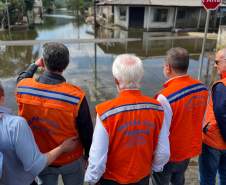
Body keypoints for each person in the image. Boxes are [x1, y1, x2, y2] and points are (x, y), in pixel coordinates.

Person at [85, 54, 170, 185]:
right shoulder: (157, 108)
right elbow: (163, 152)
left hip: (112, 180)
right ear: (140, 78)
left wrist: (91, 179)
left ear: (116, 81)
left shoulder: (105, 112)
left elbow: (97, 160)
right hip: (142, 177)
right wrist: (154, 168)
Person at [16, 42, 93, 185]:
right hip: (71, 158)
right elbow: (87, 131)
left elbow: (21, 78)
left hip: (41, 158)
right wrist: (88, 155)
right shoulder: (75, 96)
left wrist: (35, 65)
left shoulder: (24, 88)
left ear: (44, 63)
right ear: (67, 64)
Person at [0, 82, 78, 185]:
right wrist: (62, 148)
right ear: (2, 97)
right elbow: (35, 166)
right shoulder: (15, 125)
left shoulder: (22, 86)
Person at [152, 47, 208, 185]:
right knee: (179, 179)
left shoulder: (165, 97)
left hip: (169, 155)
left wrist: (156, 164)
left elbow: (161, 134)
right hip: (189, 149)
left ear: (168, 68)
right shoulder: (202, 88)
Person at [199, 48, 226, 185]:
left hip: (214, 141)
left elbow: (221, 114)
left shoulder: (221, 86)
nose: (215, 65)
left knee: (207, 178)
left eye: (217, 61)